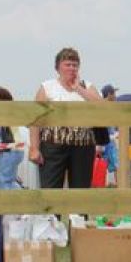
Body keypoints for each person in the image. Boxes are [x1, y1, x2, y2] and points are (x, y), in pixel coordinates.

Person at [29, 47, 104, 189]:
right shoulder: (47, 87)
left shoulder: (87, 86)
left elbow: (102, 106)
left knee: (81, 190)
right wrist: (34, 148)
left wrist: (79, 89)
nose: (72, 68)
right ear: (58, 68)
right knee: (50, 188)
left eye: (75, 65)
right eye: (67, 65)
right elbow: (35, 120)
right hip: (53, 144)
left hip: (82, 145)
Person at [0, 87, 24, 190]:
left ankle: (21, 195)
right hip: (13, 150)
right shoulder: (10, 114)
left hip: (4, 151)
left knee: (2, 182)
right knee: (4, 180)